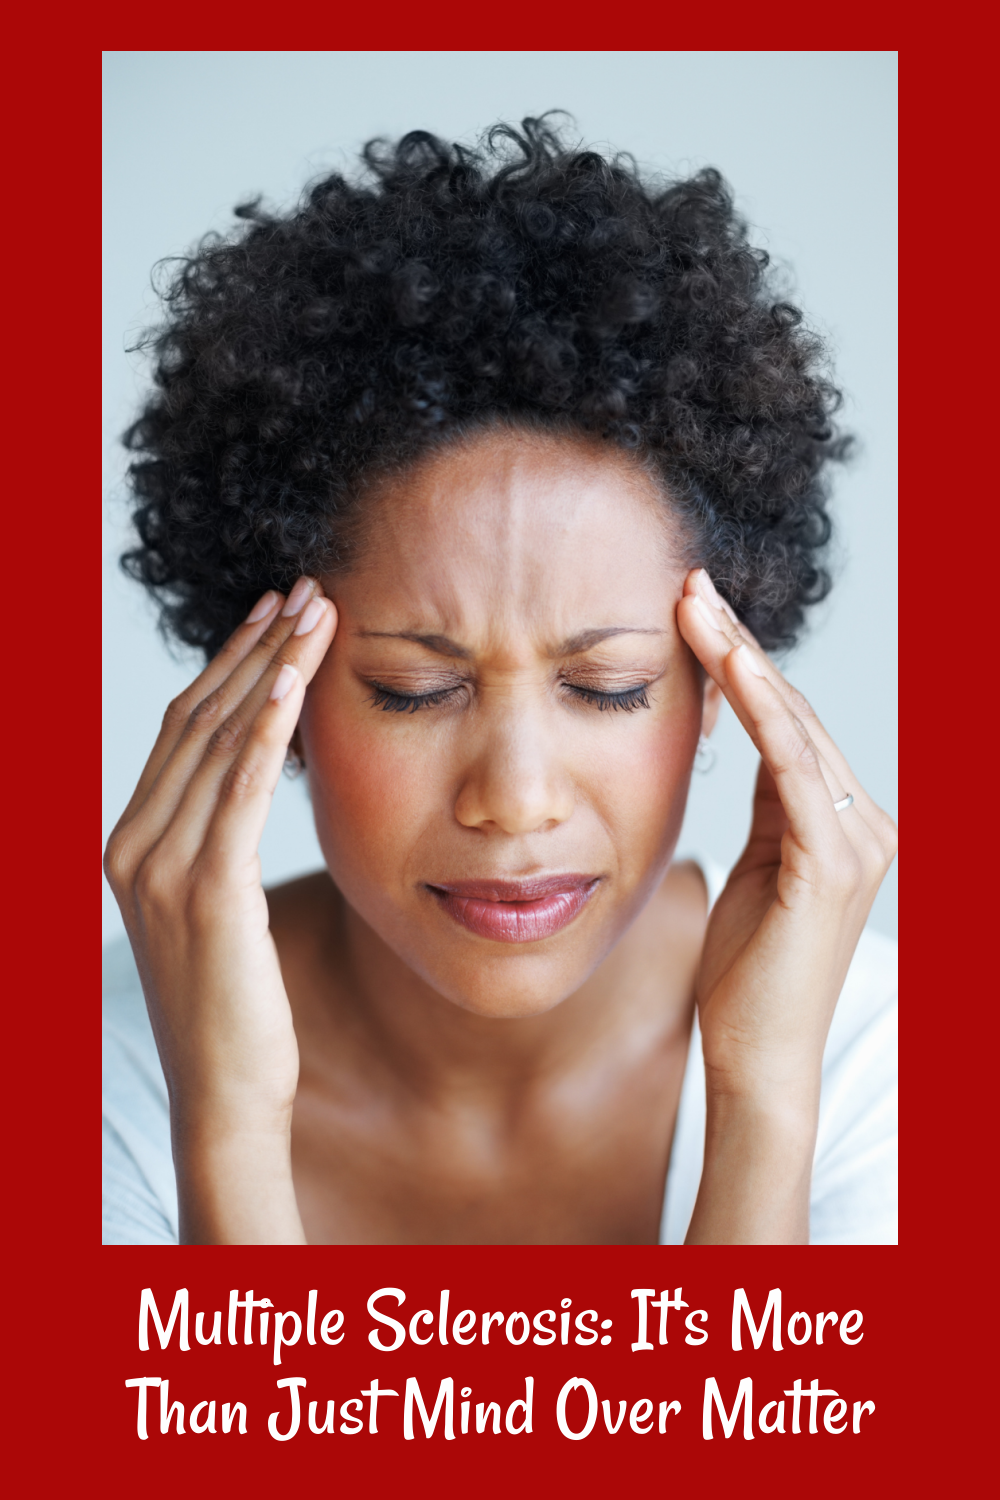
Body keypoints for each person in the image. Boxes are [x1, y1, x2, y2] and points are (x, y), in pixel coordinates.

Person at [102, 119, 897, 1246]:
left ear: (722, 686)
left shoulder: (894, 1074)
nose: (515, 798)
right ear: (270, 696)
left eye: (611, 685)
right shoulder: (97, 1084)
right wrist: (224, 1126)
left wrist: (763, 1106)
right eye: (414, 690)